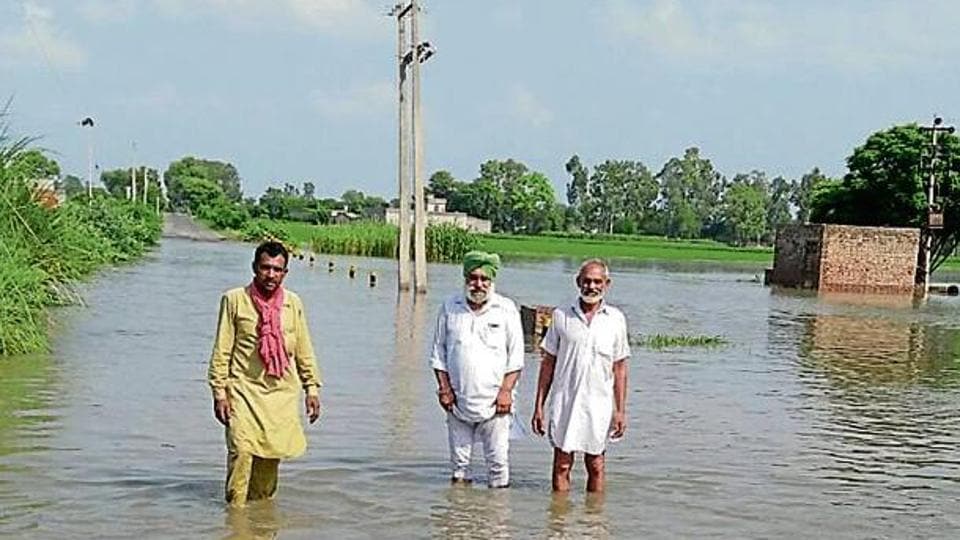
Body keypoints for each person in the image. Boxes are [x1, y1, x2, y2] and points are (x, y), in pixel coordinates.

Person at [208, 241, 322, 506]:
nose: (271, 275)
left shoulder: (293, 304)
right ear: (254, 268)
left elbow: (304, 347)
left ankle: (260, 525)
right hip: (243, 392)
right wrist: (219, 392)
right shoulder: (235, 299)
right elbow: (222, 349)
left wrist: (312, 389)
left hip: (280, 395)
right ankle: (235, 521)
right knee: (243, 453)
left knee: (268, 466)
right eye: (265, 268)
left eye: (277, 270)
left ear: (285, 273)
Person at [531, 259, 630, 493]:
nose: (591, 286)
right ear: (578, 282)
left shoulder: (616, 319)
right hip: (566, 402)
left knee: (595, 464)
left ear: (607, 284)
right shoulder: (561, 315)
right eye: (587, 281)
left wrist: (620, 411)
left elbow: (620, 368)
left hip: (599, 404)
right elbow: (548, 364)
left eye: (597, 281)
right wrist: (539, 406)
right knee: (562, 464)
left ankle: (593, 525)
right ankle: (559, 525)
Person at [429, 251, 524, 488]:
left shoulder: (506, 309)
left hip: (496, 402)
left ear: (492, 281)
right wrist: (444, 389)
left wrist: (506, 391)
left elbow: (516, 356)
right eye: (473, 278)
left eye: (484, 279)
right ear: (465, 279)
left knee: (498, 463)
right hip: (457, 400)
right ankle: (459, 516)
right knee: (459, 464)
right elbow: (438, 352)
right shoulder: (450, 307)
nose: (478, 284)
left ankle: (496, 519)